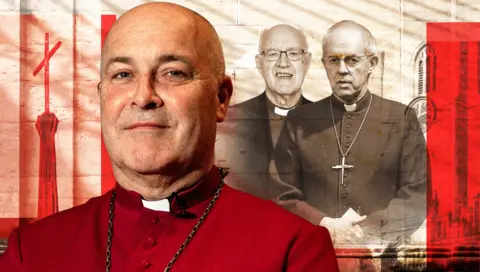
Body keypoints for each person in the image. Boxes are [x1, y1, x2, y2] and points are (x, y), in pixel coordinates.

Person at [0, 2, 339, 272]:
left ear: (220, 99)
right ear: (102, 98)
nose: (143, 96)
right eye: (123, 74)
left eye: (173, 73)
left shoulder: (293, 248)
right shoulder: (31, 251)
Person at [271, 20, 427, 248]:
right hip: (313, 248)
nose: (342, 69)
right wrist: (324, 224)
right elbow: (280, 193)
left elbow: (416, 196)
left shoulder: (401, 118)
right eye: (334, 60)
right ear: (324, 63)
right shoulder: (299, 121)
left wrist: (366, 231)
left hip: (378, 252)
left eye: (352, 60)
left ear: (372, 63)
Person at [217, 24, 312, 199]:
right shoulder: (228, 121)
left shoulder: (330, 122)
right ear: (259, 63)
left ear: (306, 62)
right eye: (273, 54)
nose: (283, 63)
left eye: (293, 53)